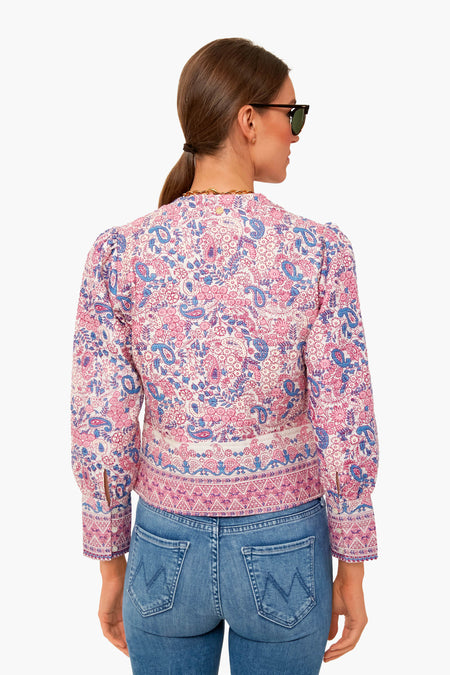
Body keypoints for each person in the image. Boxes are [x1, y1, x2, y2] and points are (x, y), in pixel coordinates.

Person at [71, 37, 379, 674]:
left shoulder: (120, 254)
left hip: (163, 545)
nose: (297, 133)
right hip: (286, 544)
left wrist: (110, 563)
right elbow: (345, 419)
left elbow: (101, 423)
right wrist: (352, 565)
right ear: (248, 120)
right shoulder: (318, 253)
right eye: (291, 114)